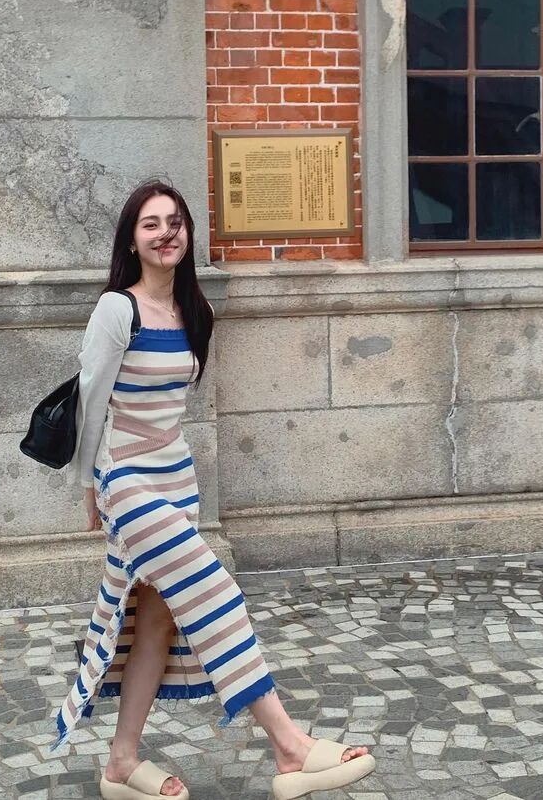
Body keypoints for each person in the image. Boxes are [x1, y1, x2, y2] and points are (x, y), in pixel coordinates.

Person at [53, 179, 375, 800]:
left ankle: (120, 764)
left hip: (177, 479)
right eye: (151, 224)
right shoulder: (116, 309)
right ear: (132, 240)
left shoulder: (193, 310)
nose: (165, 233)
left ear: (188, 234)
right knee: (215, 590)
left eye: (174, 222)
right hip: (127, 482)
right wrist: (89, 488)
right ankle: (290, 747)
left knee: (156, 621)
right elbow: (91, 404)